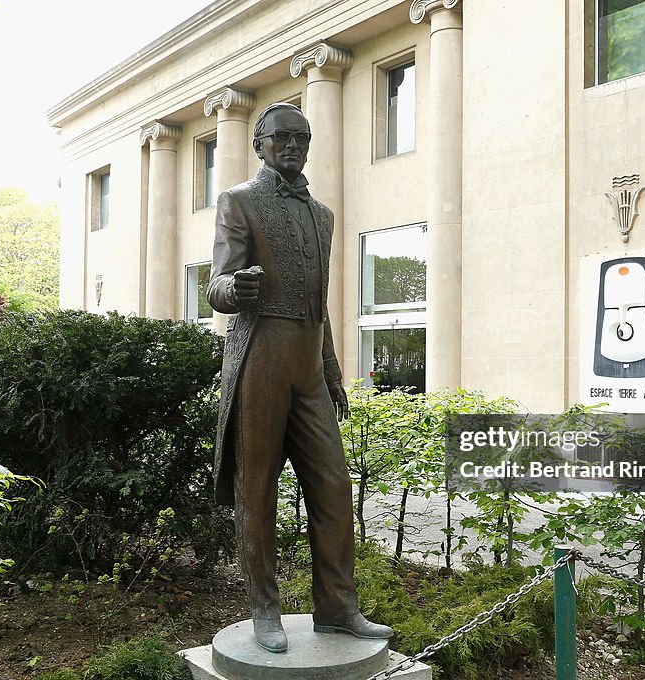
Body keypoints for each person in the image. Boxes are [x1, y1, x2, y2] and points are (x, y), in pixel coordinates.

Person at [207, 102, 393, 653]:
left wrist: (332, 369)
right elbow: (217, 283)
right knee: (257, 488)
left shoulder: (324, 216)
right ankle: (265, 610)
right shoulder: (238, 201)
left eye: (302, 138)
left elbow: (321, 304)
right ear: (260, 142)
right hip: (261, 354)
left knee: (334, 486)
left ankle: (337, 608)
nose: (293, 145)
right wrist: (232, 289)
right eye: (282, 137)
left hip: (308, 364)